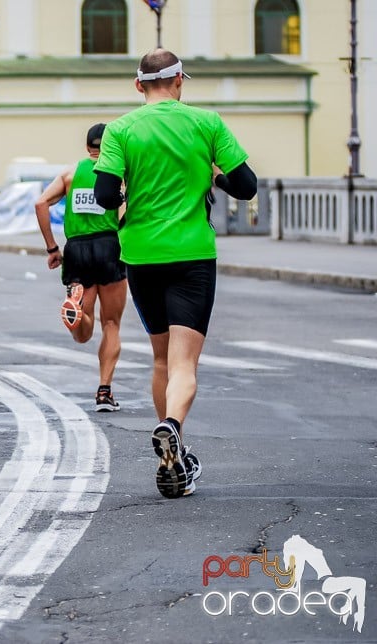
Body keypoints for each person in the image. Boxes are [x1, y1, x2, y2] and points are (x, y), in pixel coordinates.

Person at [93, 49, 257, 498]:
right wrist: (213, 177)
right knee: (185, 362)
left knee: (161, 358)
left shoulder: (121, 130)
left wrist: (132, 188)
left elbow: (106, 195)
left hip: (142, 255)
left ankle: (176, 454)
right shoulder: (207, 123)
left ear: (138, 85)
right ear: (180, 80)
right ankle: (172, 428)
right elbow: (247, 186)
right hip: (192, 254)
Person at [34, 123, 128, 413]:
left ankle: (75, 314)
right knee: (111, 323)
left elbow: (40, 203)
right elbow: (125, 216)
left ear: (88, 146)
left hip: (76, 249)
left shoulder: (70, 174)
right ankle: (104, 391)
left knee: (84, 329)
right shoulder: (118, 176)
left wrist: (52, 247)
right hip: (109, 246)